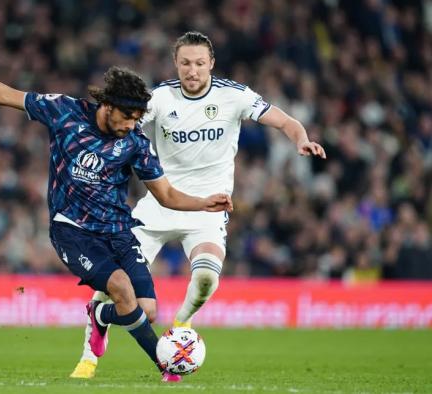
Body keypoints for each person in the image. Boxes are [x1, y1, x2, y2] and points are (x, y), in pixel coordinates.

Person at [0, 57, 232, 381]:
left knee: (147, 311)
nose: (130, 124)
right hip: (73, 229)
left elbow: (166, 195)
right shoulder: (64, 113)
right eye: (127, 116)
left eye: (137, 118)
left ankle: (99, 314)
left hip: (118, 231)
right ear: (108, 105)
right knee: (121, 287)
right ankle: (165, 365)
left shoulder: (136, 143)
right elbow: (3, 94)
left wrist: (203, 203)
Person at [71, 31, 327, 379]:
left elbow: (284, 120)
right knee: (112, 286)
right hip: (159, 203)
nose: (193, 70)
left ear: (211, 64)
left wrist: (302, 139)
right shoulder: (159, 98)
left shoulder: (234, 96)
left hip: (207, 207)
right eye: (186, 63)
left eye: (200, 63)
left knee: (206, 278)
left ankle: (181, 326)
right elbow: (120, 125)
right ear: (176, 64)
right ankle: (90, 351)